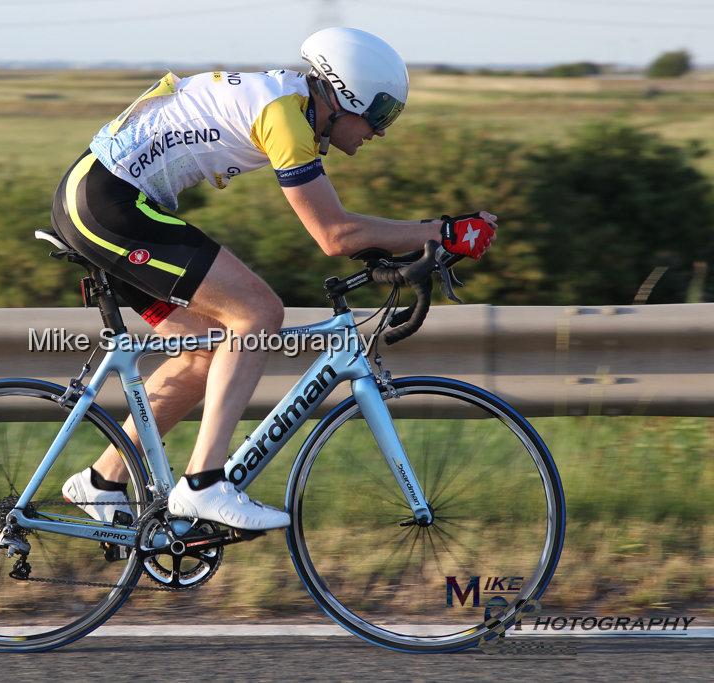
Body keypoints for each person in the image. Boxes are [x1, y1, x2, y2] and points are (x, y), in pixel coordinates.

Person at [53, 27, 497, 531]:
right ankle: (203, 484)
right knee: (258, 312)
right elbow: (334, 233)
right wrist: (441, 232)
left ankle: (102, 480)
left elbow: (341, 230)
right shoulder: (284, 117)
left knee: (206, 348)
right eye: (379, 114)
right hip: (108, 204)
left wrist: (414, 242)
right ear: (345, 95)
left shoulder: (291, 106)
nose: (380, 130)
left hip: (104, 199)